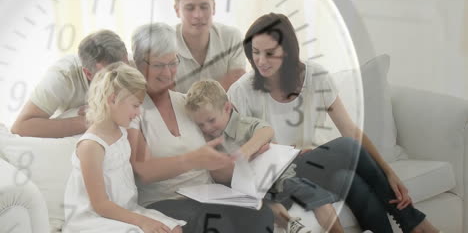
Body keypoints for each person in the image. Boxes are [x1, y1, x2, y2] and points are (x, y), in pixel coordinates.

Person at [227, 13, 441, 233]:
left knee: (348, 179)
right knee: (346, 147)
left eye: (270, 53)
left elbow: (350, 129)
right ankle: (413, 222)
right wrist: (286, 153)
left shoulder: (315, 77)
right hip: (278, 179)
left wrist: (388, 171)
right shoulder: (241, 91)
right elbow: (240, 156)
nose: (260, 61)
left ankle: (408, 224)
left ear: (287, 52)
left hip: (312, 166)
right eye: (255, 53)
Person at [127, 23, 274, 233]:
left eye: (173, 62)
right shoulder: (134, 109)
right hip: (164, 201)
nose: (168, 73)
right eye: (159, 65)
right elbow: (143, 172)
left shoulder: (187, 103)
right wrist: (192, 160)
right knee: (216, 222)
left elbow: (214, 167)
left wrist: (240, 161)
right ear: (140, 64)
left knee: (261, 214)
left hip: (208, 193)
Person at [184, 79, 345, 233]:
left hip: (280, 178)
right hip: (256, 191)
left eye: (211, 120)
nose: (207, 128)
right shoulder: (210, 142)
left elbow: (266, 131)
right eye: (201, 125)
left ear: (227, 108)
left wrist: (247, 151)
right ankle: (292, 224)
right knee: (262, 204)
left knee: (316, 195)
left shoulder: (243, 125)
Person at [63, 62, 185, 233]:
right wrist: (143, 222)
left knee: (174, 229)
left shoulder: (122, 130)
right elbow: (100, 205)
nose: (139, 112)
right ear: (113, 99)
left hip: (125, 210)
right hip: (94, 218)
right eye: (135, 105)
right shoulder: (91, 146)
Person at [11, 30, 128, 138]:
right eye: (111, 76)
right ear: (88, 74)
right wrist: (93, 119)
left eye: (125, 70)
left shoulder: (131, 63)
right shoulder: (63, 77)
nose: (122, 80)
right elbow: (20, 127)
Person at [172, 0, 246, 93]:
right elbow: (163, 97)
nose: (198, 15)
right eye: (190, 8)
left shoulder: (232, 37)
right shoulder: (164, 44)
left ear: (214, 7)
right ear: (177, 10)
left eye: (204, 7)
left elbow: (237, 88)